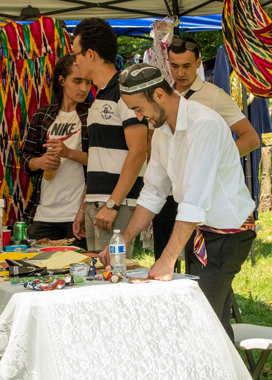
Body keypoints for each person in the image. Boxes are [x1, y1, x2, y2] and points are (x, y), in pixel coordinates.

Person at [99, 63, 256, 339]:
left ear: (159, 95)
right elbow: (153, 193)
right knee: (211, 319)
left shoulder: (203, 124)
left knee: (200, 319)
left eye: (138, 108)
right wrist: (123, 238)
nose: (138, 116)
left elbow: (194, 201)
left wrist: (167, 258)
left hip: (227, 234)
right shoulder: (161, 132)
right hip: (200, 232)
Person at [151, 36, 260, 261]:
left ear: (199, 62)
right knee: (170, 259)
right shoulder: (162, 96)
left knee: (205, 270)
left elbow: (251, 138)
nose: (180, 72)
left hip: (205, 196)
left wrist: (213, 163)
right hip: (167, 188)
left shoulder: (214, 96)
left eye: (187, 66)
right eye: (174, 66)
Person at [71, 18, 148, 255]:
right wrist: (85, 207)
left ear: (90, 54)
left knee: (112, 279)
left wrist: (112, 204)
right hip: (98, 203)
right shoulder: (99, 96)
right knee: (97, 281)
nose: (74, 61)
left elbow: (138, 152)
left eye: (76, 54)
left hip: (116, 204)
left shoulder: (125, 91)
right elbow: (98, 159)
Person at [20, 54, 91, 246]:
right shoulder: (43, 115)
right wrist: (39, 162)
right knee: (37, 269)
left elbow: (103, 161)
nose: (84, 88)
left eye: (87, 82)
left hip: (78, 214)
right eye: (77, 81)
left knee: (79, 271)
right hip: (44, 212)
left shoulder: (92, 114)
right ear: (62, 80)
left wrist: (69, 153)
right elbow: (25, 157)